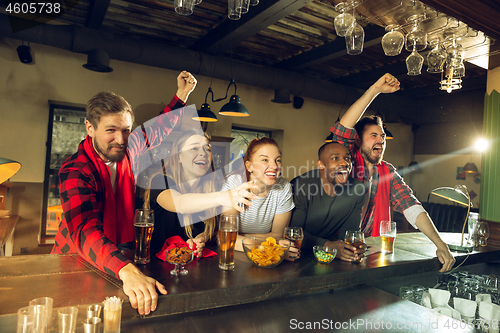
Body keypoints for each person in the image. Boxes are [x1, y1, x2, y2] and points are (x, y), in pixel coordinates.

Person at [51, 71, 197, 315]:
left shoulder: (129, 148)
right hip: (77, 263)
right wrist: (127, 270)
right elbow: (85, 229)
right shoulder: (76, 169)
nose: (121, 139)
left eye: (127, 130)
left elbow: (158, 128)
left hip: (120, 260)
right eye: (111, 130)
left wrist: (182, 95)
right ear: (90, 128)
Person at [330, 73, 456, 272]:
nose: (380, 140)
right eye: (373, 135)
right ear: (357, 141)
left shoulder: (387, 171)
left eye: (382, 136)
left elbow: (412, 207)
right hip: (338, 253)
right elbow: (343, 129)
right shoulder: (347, 162)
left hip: (370, 256)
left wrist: (440, 244)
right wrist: (375, 90)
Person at [142, 129, 257, 257]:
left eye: (207, 149)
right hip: (155, 267)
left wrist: (201, 239)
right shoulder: (160, 181)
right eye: (194, 148)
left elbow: (210, 229)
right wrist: (225, 196)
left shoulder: (211, 189)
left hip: (191, 268)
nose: (203, 153)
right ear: (178, 156)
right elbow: (180, 204)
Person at [289, 142, 366, 262]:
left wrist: (353, 250)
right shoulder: (301, 185)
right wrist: (327, 245)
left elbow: (349, 234)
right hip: (295, 255)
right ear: (321, 164)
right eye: (335, 158)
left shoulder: (357, 189)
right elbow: (293, 233)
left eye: (347, 158)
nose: (345, 163)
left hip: (327, 256)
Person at [222, 137, 295, 252]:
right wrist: (271, 244)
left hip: (254, 253)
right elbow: (227, 238)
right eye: (265, 160)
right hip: (230, 254)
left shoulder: (283, 187)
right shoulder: (234, 183)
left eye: (278, 160)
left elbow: (278, 234)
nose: (274, 166)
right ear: (249, 166)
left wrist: (245, 239)